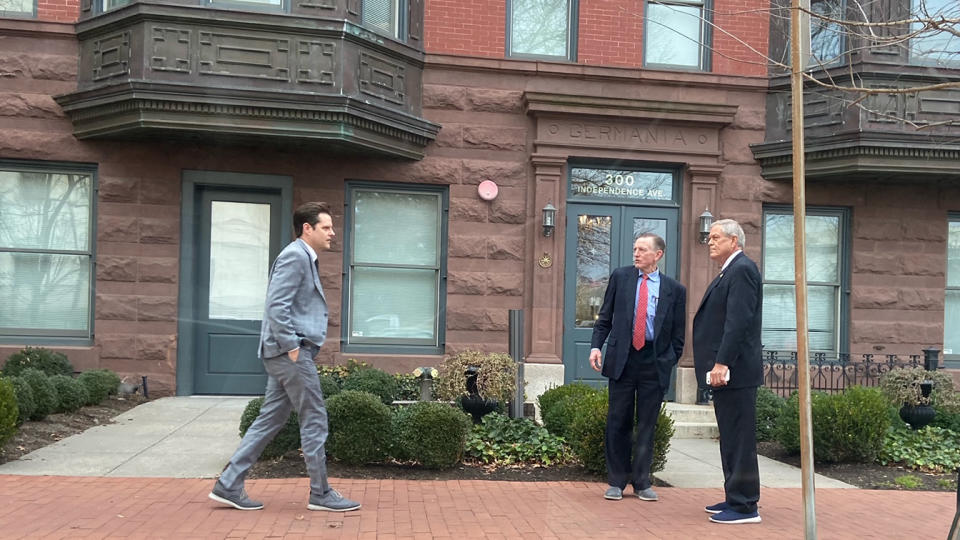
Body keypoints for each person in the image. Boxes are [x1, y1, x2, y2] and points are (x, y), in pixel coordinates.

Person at [209, 201, 361, 513]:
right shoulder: (295, 255)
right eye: (326, 227)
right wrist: (292, 346)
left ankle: (229, 483)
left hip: (281, 352)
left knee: (271, 419)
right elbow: (276, 305)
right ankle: (320, 493)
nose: (333, 233)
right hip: (290, 353)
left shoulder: (304, 256)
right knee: (315, 418)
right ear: (308, 228)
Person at [589, 233, 686, 502]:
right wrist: (596, 346)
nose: (636, 253)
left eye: (642, 249)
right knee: (617, 420)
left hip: (653, 362)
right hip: (623, 358)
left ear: (658, 255)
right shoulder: (621, 278)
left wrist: (668, 360)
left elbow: (679, 334)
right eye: (634, 249)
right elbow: (604, 317)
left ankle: (642, 482)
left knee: (647, 424)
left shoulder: (675, 290)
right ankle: (616, 482)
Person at [693, 218, 763, 524]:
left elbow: (739, 321)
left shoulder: (743, 270)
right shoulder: (730, 271)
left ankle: (746, 505)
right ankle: (734, 497)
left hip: (736, 372)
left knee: (740, 439)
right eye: (709, 237)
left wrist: (722, 362)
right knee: (731, 438)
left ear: (734, 241)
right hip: (727, 372)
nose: (710, 241)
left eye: (716, 237)